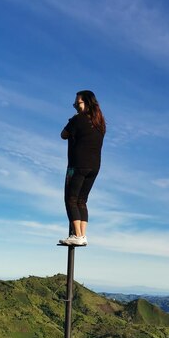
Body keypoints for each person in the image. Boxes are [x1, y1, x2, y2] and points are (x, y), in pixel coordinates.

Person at [59, 90, 106, 246]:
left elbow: (63, 134)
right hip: (94, 166)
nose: (75, 106)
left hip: (78, 164)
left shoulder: (77, 120)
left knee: (71, 200)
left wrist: (72, 120)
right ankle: (82, 236)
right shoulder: (100, 123)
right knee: (82, 201)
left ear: (86, 102)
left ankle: (77, 236)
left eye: (77, 103)